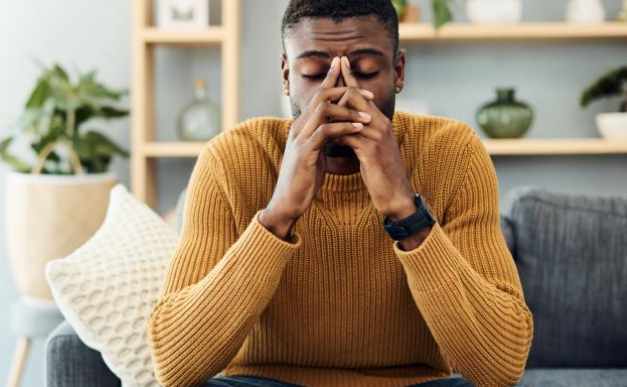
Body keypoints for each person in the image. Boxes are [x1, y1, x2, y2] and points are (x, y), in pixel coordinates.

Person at [146, 0, 534, 386]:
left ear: (398, 71)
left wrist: (406, 211)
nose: (341, 95)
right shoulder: (231, 158)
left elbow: (499, 369)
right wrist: (278, 215)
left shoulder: (453, 153)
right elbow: (176, 368)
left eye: (365, 71)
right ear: (286, 75)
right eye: (314, 73)